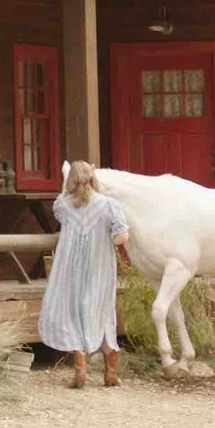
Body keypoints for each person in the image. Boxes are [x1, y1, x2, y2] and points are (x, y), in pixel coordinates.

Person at [37, 160, 130, 388]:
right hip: (99, 266)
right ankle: (110, 373)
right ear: (93, 178)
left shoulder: (62, 205)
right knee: (102, 312)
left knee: (73, 314)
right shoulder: (109, 205)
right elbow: (122, 237)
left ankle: (80, 371)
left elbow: (65, 203)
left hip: (69, 268)